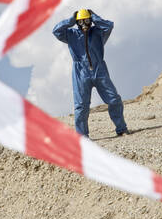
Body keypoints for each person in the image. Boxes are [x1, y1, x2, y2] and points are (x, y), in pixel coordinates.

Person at [52, 9, 129, 138]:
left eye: (87, 20)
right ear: (77, 22)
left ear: (91, 21)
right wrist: (71, 20)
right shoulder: (71, 34)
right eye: (81, 21)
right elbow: (56, 31)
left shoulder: (98, 32)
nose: (84, 24)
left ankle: (121, 129)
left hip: (99, 70)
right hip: (80, 72)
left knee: (114, 99)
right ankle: (82, 137)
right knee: (81, 106)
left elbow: (109, 25)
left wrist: (94, 17)